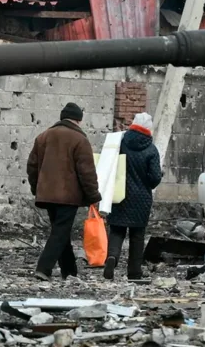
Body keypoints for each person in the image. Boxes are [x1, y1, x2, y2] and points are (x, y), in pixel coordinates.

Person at [26, 102, 101, 280]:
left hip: (47, 194)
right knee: (60, 232)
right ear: (78, 120)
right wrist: (93, 196)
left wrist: (37, 188)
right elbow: (87, 172)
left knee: (61, 232)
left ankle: (69, 271)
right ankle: (43, 268)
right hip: (68, 196)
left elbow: (32, 167)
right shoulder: (79, 140)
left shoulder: (43, 137)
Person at [104, 112, 163, 280]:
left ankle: (112, 257)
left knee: (116, 230)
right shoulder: (151, 149)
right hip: (141, 199)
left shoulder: (120, 142)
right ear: (149, 128)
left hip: (119, 194)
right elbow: (155, 178)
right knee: (137, 236)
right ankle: (134, 272)